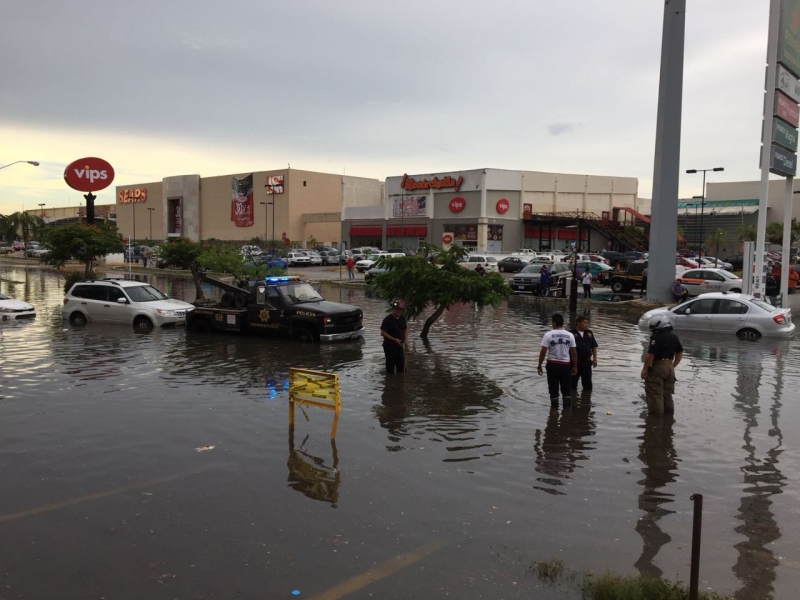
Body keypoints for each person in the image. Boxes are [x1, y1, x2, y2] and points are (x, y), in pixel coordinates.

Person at [640, 317, 683, 416]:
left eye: (652, 327)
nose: (651, 329)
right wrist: (673, 365)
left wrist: (644, 369)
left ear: (658, 326)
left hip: (658, 367)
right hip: (670, 367)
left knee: (655, 395)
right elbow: (680, 352)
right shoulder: (674, 337)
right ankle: (668, 421)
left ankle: (655, 423)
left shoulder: (656, 338)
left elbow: (650, 355)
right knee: (667, 395)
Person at [537, 313, 577, 410]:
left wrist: (539, 365)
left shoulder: (548, 335)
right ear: (562, 323)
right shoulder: (570, 335)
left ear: (554, 323)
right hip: (565, 365)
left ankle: (554, 412)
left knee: (553, 389)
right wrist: (575, 366)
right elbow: (574, 353)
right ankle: (566, 413)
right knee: (567, 389)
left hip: (552, 364)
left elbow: (543, 352)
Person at [570, 316, 598, 393]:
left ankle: (586, 401)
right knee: (572, 385)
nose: (586, 325)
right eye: (584, 323)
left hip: (587, 362)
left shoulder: (589, 333)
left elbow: (594, 346)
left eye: (587, 323)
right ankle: (573, 401)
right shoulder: (571, 333)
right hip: (574, 362)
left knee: (588, 385)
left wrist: (595, 359)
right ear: (578, 323)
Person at [380, 301, 408, 374]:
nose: (399, 311)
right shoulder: (387, 319)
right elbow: (383, 333)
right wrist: (395, 340)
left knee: (402, 369)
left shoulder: (402, 319)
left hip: (400, 346)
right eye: (397, 309)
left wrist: (406, 340)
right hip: (389, 346)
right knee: (390, 369)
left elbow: (405, 330)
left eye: (400, 310)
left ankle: (400, 383)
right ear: (393, 309)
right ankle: (389, 383)